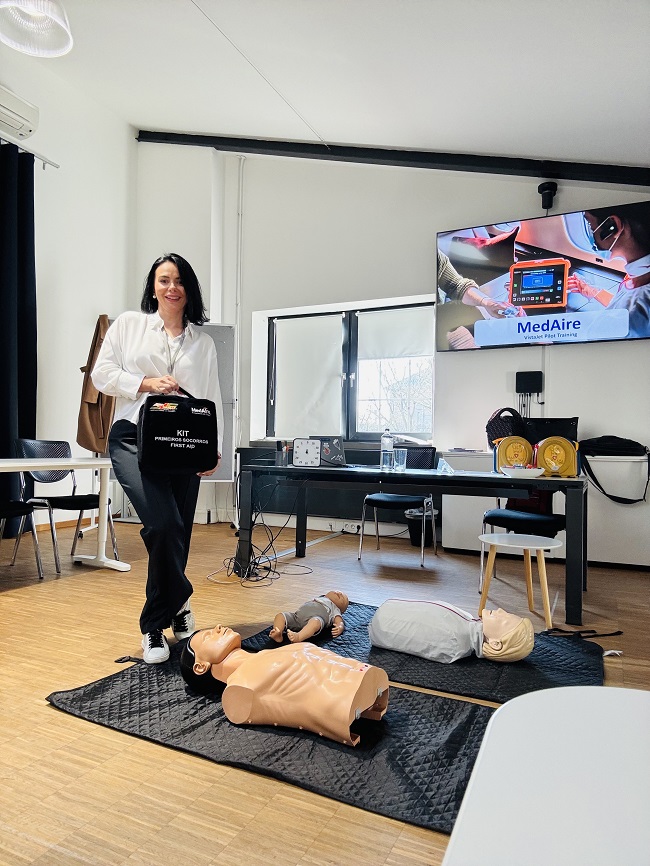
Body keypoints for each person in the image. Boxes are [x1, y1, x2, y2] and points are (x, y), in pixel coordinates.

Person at [92, 253, 224, 664]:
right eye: (164, 280)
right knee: (163, 523)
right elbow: (100, 374)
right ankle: (166, 613)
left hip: (184, 440)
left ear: (189, 289)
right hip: (133, 436)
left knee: (178, 529)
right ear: (153, 287)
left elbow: (212, 398)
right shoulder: (129, 325)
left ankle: (166, 614)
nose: (172, 287)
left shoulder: (203, 343)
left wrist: (214, 447)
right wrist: (145, 383)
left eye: (179, 280)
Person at [180, 625, 390, 746]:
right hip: (345, 704)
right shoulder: (237, 691)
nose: (218, 627)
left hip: (367, 680)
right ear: (200, 667)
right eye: (208, 636)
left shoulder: (263, 657)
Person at [568, 202, 650, 337]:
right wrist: (594, 292)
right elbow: (623, 306)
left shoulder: (634, 316)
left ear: (613, 225)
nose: (591, 232)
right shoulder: (638, 274)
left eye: (590, 225)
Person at [368, 599, 534, 664]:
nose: (500, 610)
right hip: (385, 616)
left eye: (505, 620)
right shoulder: (465, 624)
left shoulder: (455, 642)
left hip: (382, 623)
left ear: (495, 644)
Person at [269, 590, 349, 643]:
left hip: (314, 618)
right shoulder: (321, 598)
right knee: (281, 615)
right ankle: (278, 632)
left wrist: (340, 627)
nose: (339, 593)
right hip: (296, 617)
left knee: (315, 622)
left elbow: (339, 621)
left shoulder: (335, 608)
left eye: (342, 598)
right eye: (336, 591)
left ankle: (298, 637)